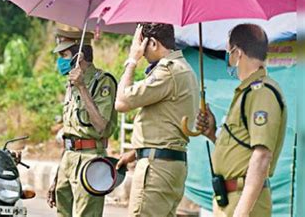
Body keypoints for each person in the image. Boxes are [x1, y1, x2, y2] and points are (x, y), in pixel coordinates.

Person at [196, 24, 287, 217]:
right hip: (228, 198)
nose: (228, 59)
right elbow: (242, 147)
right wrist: (212, 133)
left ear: (237, 53)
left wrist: (242, 211)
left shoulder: (262, 92)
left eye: (228, 53)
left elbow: (262, 155)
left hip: (243, 201)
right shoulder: (246, 93)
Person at [115, 23, 199, 217]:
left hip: (157, 169)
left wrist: (131, 60)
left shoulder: (168, 71)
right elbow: (166, 122)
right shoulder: (184, 69)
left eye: (141, 46)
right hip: (171, 164)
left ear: (152, 43)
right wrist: (136, 153)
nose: (141, 53)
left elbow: (122, 102)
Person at [46, 26, 118, 217]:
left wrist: (82, 88)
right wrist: (57, 175)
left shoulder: (102, 82)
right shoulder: (70, 84)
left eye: (64, 54)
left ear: (79, 56)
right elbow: (70, 131)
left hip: (90, 159)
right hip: (69, 158)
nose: (60, 60)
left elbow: (101, 126)